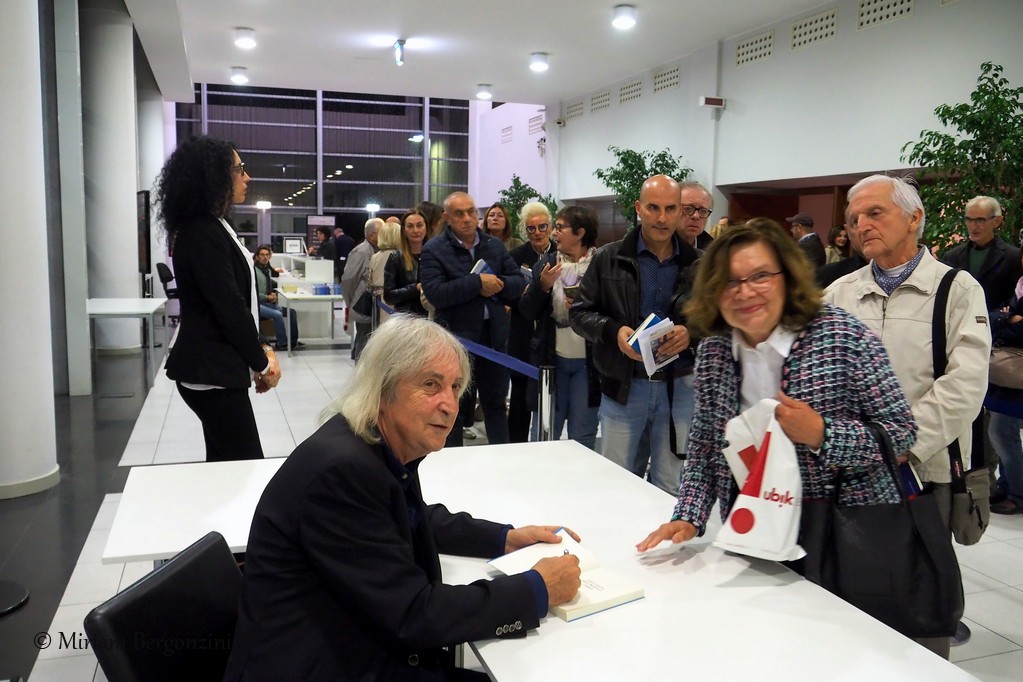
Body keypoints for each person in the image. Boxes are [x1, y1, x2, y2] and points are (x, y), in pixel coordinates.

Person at [224, 316, 582, 681]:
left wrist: (504, 538)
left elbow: (407, 516)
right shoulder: (342, 471)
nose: (450, 405)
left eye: (455, 387)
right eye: (430, 385)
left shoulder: (368, 441)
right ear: (384, 388)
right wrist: (536, 589)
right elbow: (413, 615)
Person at [636, 219, 917, 554]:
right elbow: (705, 445)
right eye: (729, 281)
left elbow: (902, 432)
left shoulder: (844, 337)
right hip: (753, 527)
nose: (744, 292)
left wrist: (823, 434)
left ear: (788, 277)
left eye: (760, 276)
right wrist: (689, 515)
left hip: (842, 532)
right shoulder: (715, 351)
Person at [825, 175, 990, 658]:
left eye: (875, 213)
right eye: (854, 217)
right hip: (851, 474)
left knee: (920, 600)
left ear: (915, 218)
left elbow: (964, 385)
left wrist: (899, 444)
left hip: (924, 473)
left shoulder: (956, 290)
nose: (861, 225)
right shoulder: (838, 294)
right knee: (850, 595)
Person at [570, 174, 700, 494]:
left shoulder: (699, 264)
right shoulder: (608, 258)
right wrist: (614, 332)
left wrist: (692, 333)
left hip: (679, 388)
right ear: (639, 208)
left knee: (669, 486)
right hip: (624, 386)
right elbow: (579, 314)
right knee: (616, 484)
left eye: (670, 209)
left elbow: (719, 321)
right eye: (653, 208)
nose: (662, 218)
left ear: (680, 211)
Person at [157, 135, 281, 462]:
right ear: (213, 177)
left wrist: (260, 352)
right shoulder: (202, 232)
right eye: (239, 170)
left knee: (224, 464)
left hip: (215, 369)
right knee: (244, 464)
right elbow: (229, 307)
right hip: (210, 371)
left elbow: (239, 301)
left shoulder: (214, 225)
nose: (247, 177)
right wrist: (262, 362)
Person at [420, 192, 526, 447]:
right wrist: (477, 283)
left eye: (471, 212)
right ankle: (453, 462)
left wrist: (496, 285)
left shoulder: (493, 245)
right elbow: (436, 293)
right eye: (459, 214)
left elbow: (518, 282)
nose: (467, 218)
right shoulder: (434, 249)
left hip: (494, 338)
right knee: (452, 407)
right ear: (447, 217)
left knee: (495, 404)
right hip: (456, 341)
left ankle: (502, 458)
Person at [519, 206, 600, 449]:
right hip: (551, 361)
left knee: (583, 437)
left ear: (580, 233)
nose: (554, 233)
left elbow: (615, 310)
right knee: (544, 435)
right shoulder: (548, 263)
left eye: (560, 227)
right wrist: (543, 287)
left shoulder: (602, 264)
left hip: (589, 365)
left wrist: (586, 305)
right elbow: (527, 311)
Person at [507, 202, 555, 442]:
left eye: (542, 227)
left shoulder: (561, 254)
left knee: (548, 397)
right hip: (522, 334)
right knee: (519, 397)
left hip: (550, 336)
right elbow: (507, 294)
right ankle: (515, 447)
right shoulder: (515, 257)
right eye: (531, 228)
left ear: (551, 227)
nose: (537, 232)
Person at [941, 196, 1022, 311]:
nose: (974, 226)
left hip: (996, 320)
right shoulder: (952, 257)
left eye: (980, 220)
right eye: (969, 220)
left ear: (997, 221)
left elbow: (1015, 299)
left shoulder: (1013, 257)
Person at [987, 258, 1023, 514]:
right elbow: (993, 316)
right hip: (1008, 375)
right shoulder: (1020, 285)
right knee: (1001, 431)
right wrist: (1007, 319)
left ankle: (1018, 494)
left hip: (1017, 374)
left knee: (1002, 432)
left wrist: (1004, 322)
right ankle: (1007, 486)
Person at [341, 218, 381, 360]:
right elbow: (348, 280)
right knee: (363, 338)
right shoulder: (360, 252)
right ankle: (360, 368)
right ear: (372, 235)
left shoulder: (378, 251)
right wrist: (351, 302)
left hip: (373, 306)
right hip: (363, 304)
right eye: (381, 232)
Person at [253, 244, 301, 351]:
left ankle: (292, 342)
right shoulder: (254, 271)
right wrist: (267, 297)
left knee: (291, 312)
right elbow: (254, 293)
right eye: (262, 255)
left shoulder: (267, 270)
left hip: (266, 303)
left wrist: (272, 294)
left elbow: (267, 288)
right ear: (257, 256)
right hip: (257, 304)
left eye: (267, 255)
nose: (265, 257)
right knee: (278, 314)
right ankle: (282, 343)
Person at [383, 209, 428, 316]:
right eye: (410, 226)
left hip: (433, 317)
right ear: (403, 230)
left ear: (426, 227)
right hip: (406, 318)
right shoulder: (396, 257)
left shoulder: (436, 254)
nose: (415, 230)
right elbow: (389, 296)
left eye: (419, 225)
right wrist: (415, 288)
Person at [368, 220, 402, 325]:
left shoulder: (375, 257)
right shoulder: (400, 257)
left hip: (378, 301)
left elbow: (370, 281)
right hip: (395, 301)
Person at [677, 181, 715, 250]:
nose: (696, 216)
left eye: (703, 211)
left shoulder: (713, 252)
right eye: (688, 209)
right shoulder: (658, 246)